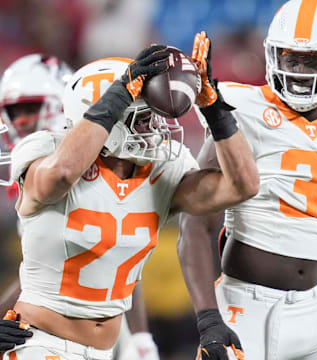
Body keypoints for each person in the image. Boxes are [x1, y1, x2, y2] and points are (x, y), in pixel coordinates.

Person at [0, 40, 258, 360]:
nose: (155, 128)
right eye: (142, 117)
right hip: (42, 344)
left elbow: (243, 186)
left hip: (106, 349)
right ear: (110, 115)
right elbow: (63, 174)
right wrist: (120, 93)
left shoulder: (160, 170)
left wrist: (215, 109)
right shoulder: (43, 149)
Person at [178, 1, 317, 359]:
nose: (299, 71)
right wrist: (208, 318)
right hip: (244, 304)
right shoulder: (238, 107)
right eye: (291, 58)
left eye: (313, 61)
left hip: (316, 309)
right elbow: (196, 224)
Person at [0, 54, 161, 360]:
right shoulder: (39, 164)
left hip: (97, 334)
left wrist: (138, 337)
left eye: (29, 108)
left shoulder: (105, 159)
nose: (17, 120)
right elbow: (41, 275)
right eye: (13, 111)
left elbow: (116, 257)